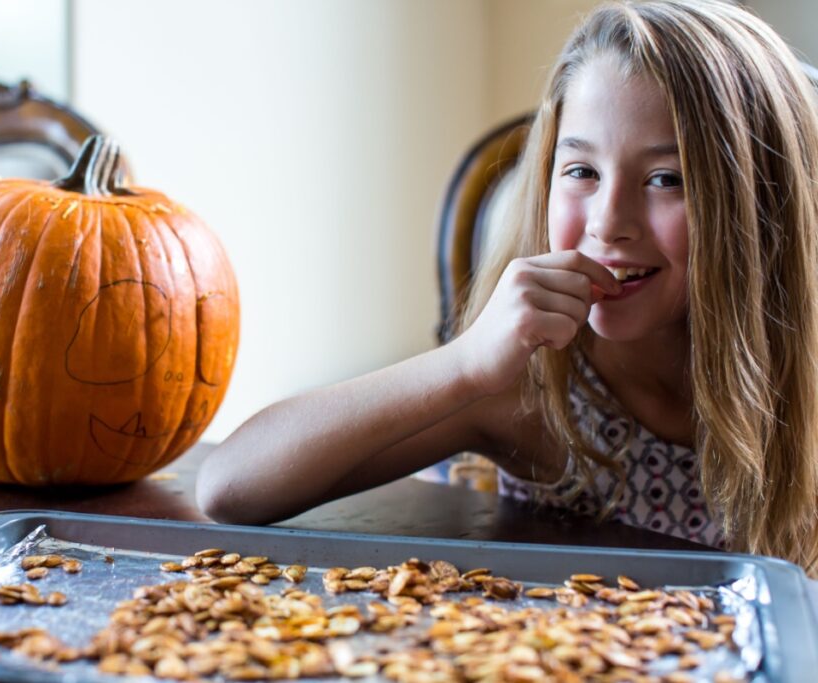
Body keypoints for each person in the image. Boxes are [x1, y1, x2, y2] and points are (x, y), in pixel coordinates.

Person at [196, 0, 818, 577]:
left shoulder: (804, 389)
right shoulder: (535, 387)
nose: (607, 221)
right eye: (580, 171)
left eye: (665, 178)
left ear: (765, 204)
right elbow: (228, 487)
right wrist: (465, 365)